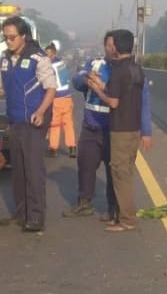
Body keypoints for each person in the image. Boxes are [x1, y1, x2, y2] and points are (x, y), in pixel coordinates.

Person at [63, 39, 152, 222]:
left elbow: (143, 103)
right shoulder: (94, 64)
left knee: (115, 170)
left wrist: (146, 131)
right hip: (91, 125)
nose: (111, 49)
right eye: (109, 45)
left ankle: (114, 208)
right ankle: (84, 202)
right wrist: (87, 78)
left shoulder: (127, 71)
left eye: (114, 46)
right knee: (85, 164)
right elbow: (77, 82)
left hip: (115, 128)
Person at [0, 16, 57, 233]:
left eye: (12, 37)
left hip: (33, 121)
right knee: (18, 168)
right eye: (5, 37)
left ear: (23, 36)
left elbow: (51, 88)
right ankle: (21, 213)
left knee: (33, 170)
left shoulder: (38, 59)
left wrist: (41, 111)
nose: (8, 41)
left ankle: (36, 217)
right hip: (15, 120)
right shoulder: (4, 59)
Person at [88, 29, 143, 232]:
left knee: (121, 175)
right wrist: (101, 85)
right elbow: (122, 91)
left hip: (121, 128)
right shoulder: (136, 68)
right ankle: (120, 216)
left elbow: (113, 101)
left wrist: (96, 90)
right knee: (125, 171)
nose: (109, 48)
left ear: (117, 47)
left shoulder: (118, 70)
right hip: (134, 127)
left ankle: (127, 219)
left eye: (112, 45)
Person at [44, 40, 76, 158]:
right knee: (68, 123)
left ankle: (53, 148)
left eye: (47, 53)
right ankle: (72, 148)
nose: (46, 56)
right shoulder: (61, 63)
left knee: (55, 124)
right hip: (67, 97)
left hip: (57, 98)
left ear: (52, 53)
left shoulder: (50, 66)